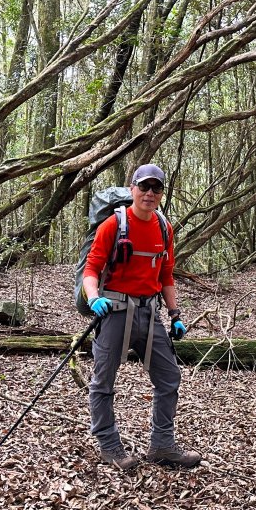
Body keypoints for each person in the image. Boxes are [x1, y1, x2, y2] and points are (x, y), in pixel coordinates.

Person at [80, 164, 201, 471]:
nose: (149, 193)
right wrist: (94, 299)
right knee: (103, 382)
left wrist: (175, 314)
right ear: (132, 188)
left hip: (150, 313)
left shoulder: (163, 227)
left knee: (169, 376)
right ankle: (109, 445)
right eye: (144, 187)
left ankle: (162, 445)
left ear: (161, 194)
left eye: (156, 188)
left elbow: (166, 275)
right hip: (115, 312)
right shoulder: (113, 225)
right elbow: (91, 271)